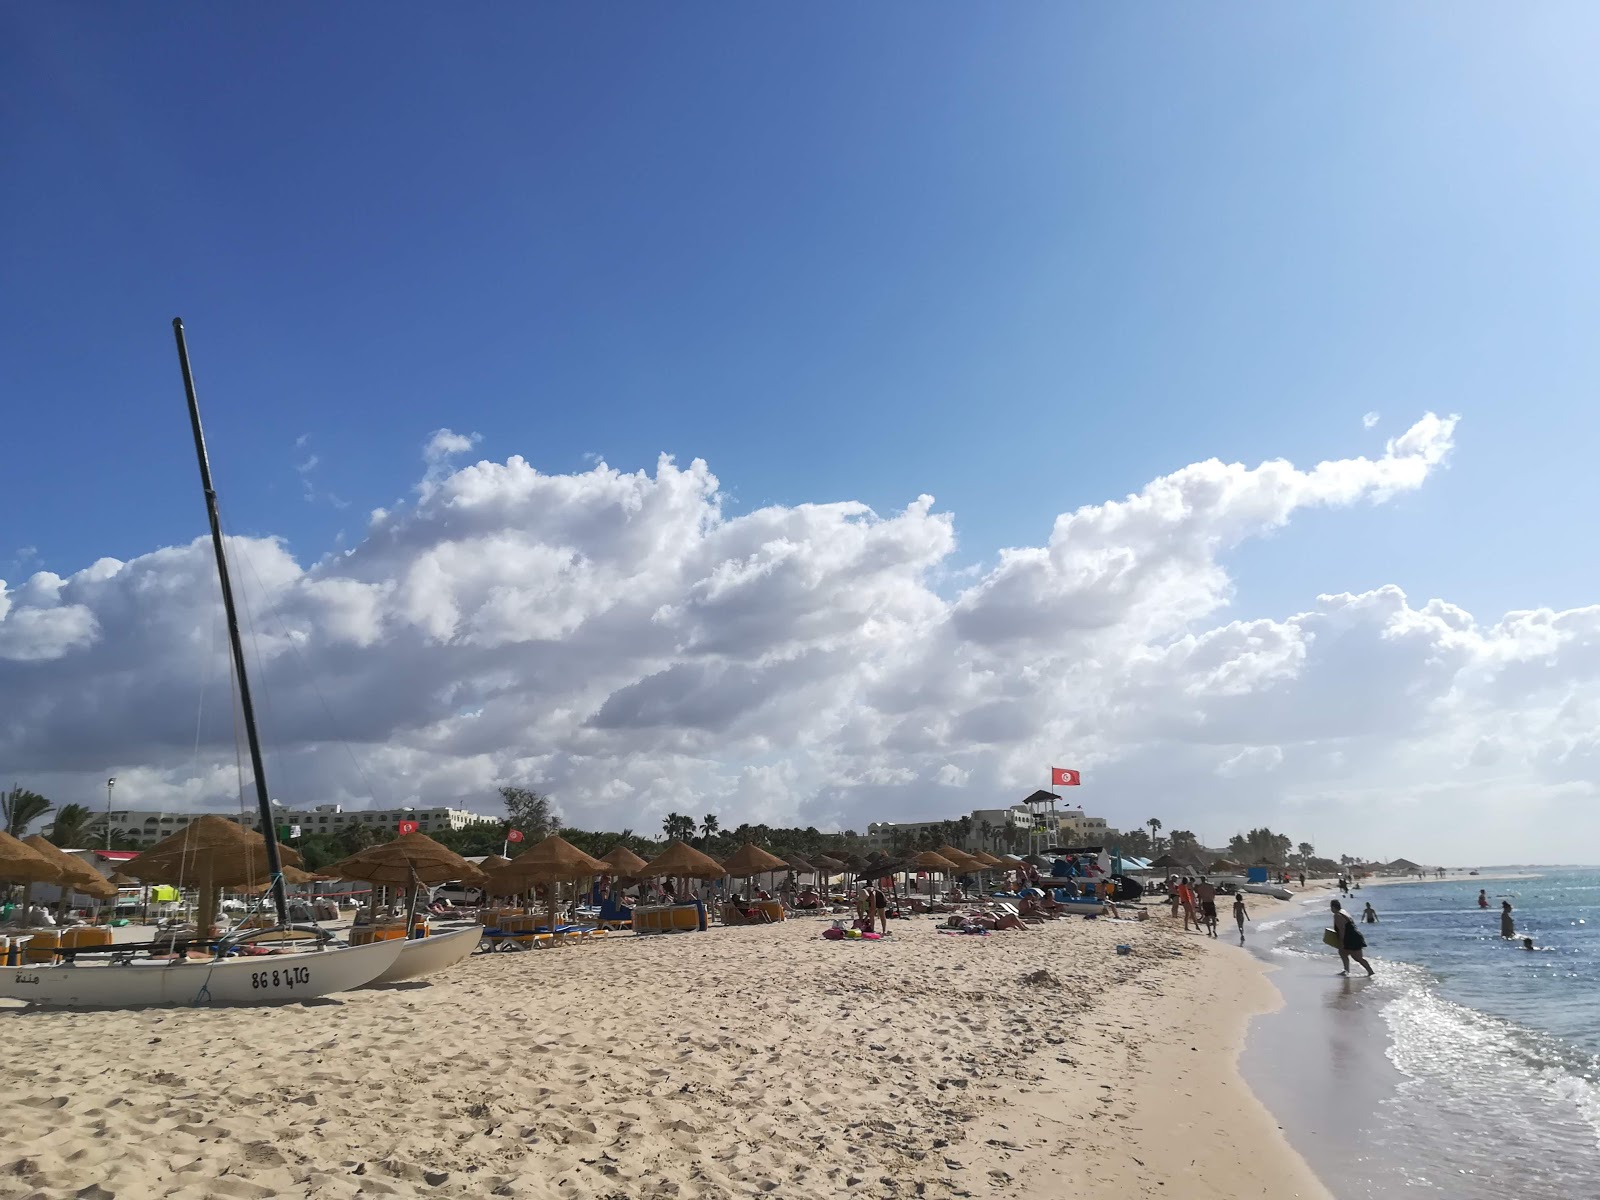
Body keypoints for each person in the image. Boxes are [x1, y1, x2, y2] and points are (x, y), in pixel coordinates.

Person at [1330, 899, 1374, 976]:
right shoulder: (1343, 912)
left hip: (1351, 938)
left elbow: (1342, 930)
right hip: (1355, 936)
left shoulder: (1337, 915)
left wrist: (1341, 942)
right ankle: (1346, 971)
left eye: (1331, 907)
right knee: (1343, 953)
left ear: (1333, 907)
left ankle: (1370, 972)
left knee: (1357, 957)